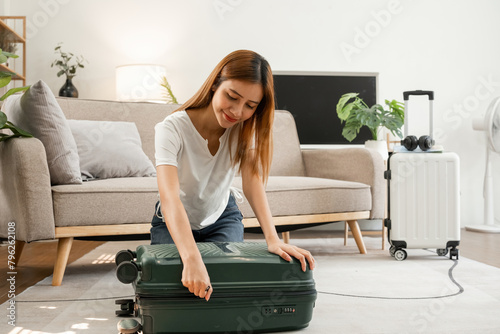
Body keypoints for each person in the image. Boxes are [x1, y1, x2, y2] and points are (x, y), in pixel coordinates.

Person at [151, 49, 315, 302]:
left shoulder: (243, 130)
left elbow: (252, 182)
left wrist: (272, 239)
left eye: (250, 105)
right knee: (173, 279)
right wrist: (192, 257)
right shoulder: (171, 128)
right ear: (216, 82)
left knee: (224, 280)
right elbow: (170, 197)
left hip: (222, 217)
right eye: (232, 96)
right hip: (173, 218)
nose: (237, 111)